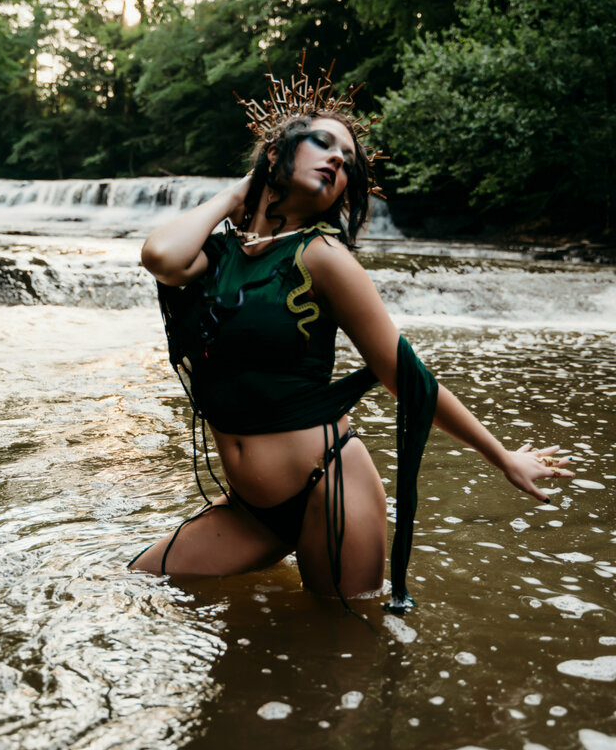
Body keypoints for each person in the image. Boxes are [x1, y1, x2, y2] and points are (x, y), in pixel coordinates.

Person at [129, 63, 573, 611]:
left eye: (348, 161)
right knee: (139, 582)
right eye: (323, 143)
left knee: (341, 646)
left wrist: (501, 456)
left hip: (331, 488)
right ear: (275, 153)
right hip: (251, 511)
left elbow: (406, 376)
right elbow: (160, 256)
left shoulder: (324, 257)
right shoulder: (217, 255)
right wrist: (240, 192)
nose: (339, 159)